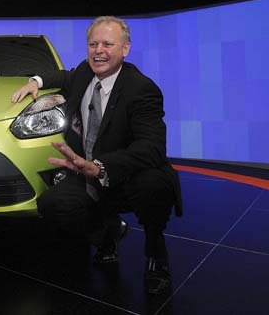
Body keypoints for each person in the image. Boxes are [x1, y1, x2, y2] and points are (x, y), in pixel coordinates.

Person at [11, 16, 182, 294]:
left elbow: (152, 147)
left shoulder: (142, 89)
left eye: (107, 44)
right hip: (86, 173)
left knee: (155, 185)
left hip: (127, 175)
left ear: (125, 49)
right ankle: (107, 235)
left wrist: (101, 167)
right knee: (52, 205)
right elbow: (63, 76)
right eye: (93, 44)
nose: (98, 50)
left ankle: (156, 255)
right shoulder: (83, 72)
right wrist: (36, 81)